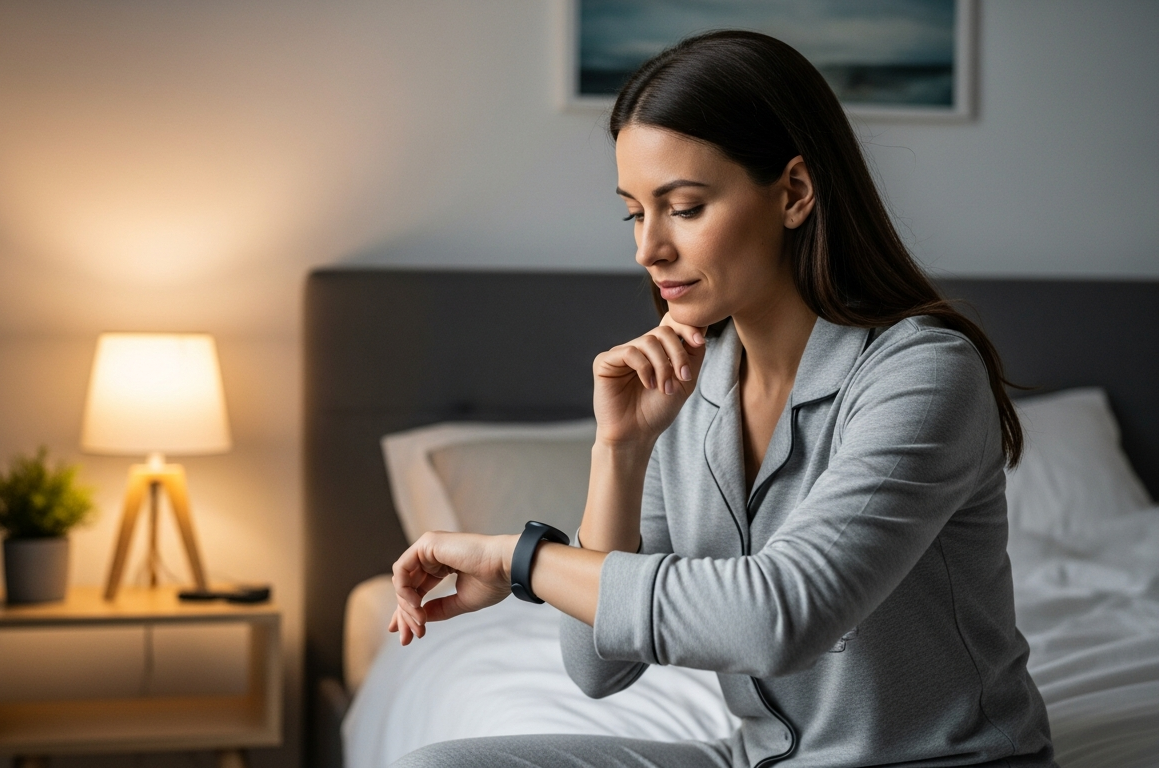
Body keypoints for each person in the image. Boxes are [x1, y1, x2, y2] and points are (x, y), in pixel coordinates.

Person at [385, 30, 1054, 768]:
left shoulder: (924, 373)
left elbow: (779, 617)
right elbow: (597, 667)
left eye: (684, 207)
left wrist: (517, 559)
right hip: (755, 758)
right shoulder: (687, 385)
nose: (648, 248)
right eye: (635, 212)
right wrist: (621, 450)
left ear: (794, 193)